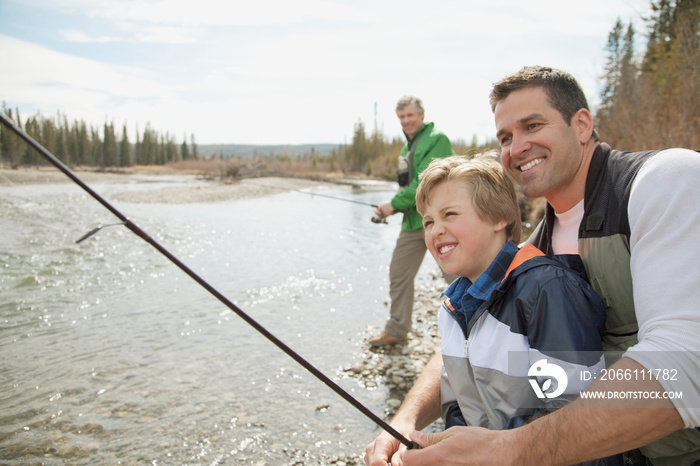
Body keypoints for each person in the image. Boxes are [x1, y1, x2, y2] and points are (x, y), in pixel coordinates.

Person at [365, 66, 700, 465]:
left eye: (533, 126)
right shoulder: (536, 244)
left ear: (581, 124)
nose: (516, 147)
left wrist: (507, 450)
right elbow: (469, 342)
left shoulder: (664, 181)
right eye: (505, 137)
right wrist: (407, 420)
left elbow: (684, 366)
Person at [366, 153, 618, 466]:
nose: (435, 230)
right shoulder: (453, 307)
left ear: (499, 217)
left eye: (450, 214)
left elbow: (580, 425)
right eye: (429, 221)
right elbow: (463, 401)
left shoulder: (545, 292)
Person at [369, 96, 455, 346]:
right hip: (411, 225)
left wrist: (393, 204)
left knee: (456, 275)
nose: (406, 121)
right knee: (398, 273)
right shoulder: (406, 149)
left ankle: (473, 326)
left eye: (410, 115)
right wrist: (392, 208)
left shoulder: (437, 139)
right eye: (401, 117)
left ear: (421, 115)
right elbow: (408, 187)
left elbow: (425, 181)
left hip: (440, 221)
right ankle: (397, 329)